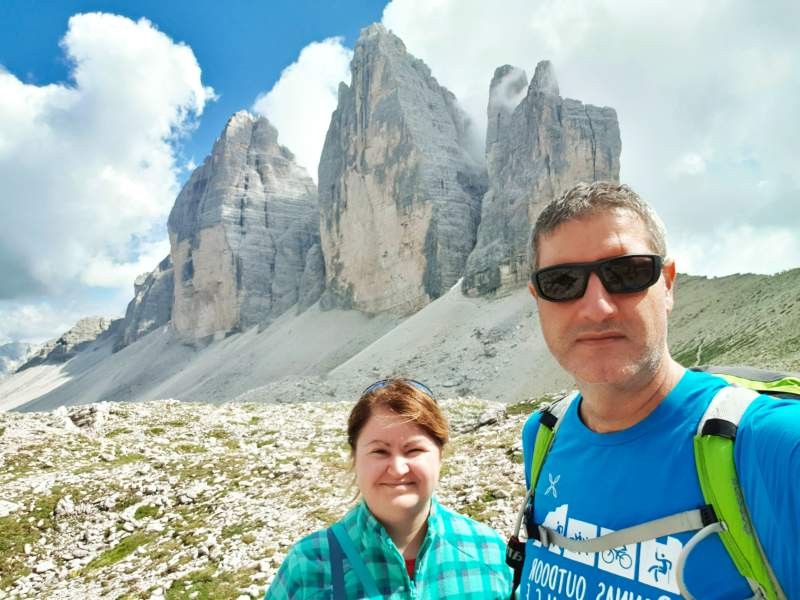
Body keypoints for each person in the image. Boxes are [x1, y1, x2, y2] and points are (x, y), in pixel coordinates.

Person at [518, 182, 799, 599]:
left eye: (627, 273)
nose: (597, 307)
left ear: (667, 284)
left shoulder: (773, 444)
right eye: (561, 282)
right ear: (537, 298)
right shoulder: (543, 436)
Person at [265, 378, 512, 599]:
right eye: (380, 451)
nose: (397, 468)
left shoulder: (489, 550)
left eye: (414, 450)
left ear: (439, 456)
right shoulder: (309, 563)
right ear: (355, 458)